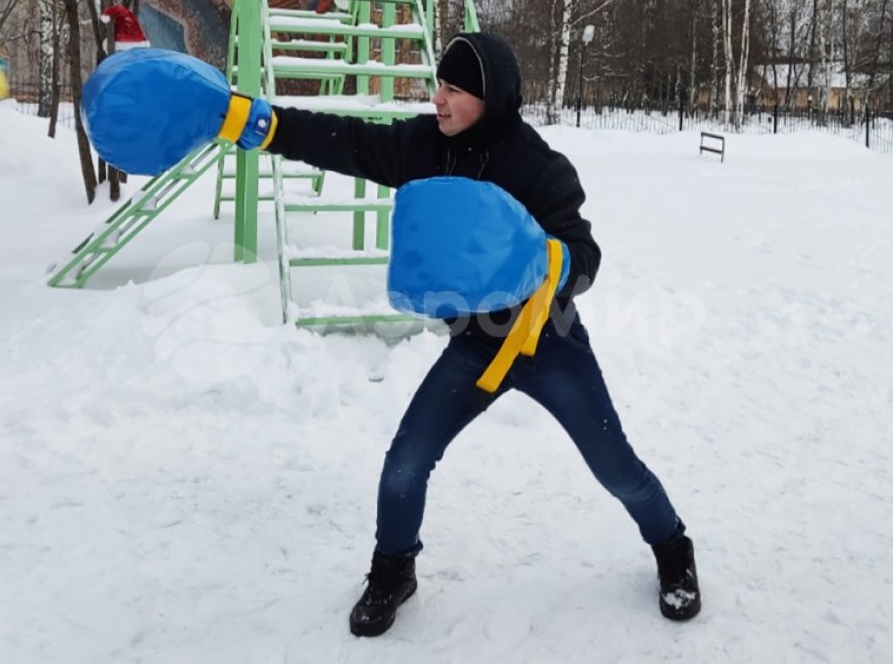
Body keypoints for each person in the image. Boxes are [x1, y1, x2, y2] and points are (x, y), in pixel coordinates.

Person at [263, 32, 702, 636]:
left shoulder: (535, 163)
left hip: (545, 340)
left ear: (488, 98)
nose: (438, 99)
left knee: (616, 468)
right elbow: (342, 141)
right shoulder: (422, 144)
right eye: (438, 85)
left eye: (454, 90)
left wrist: (549, 259)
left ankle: (673, 548)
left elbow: (585, 253)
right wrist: (257, 123)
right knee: (403, 464)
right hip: (474, 344)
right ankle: (394, 568)